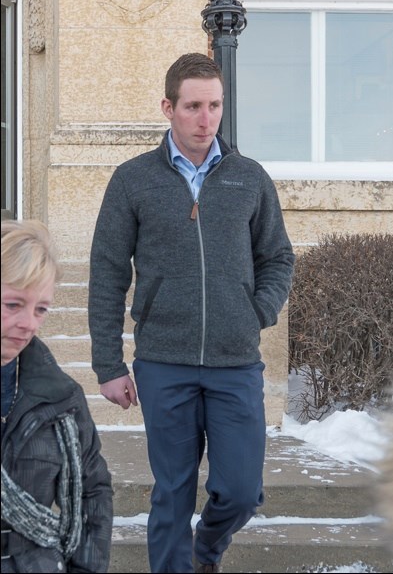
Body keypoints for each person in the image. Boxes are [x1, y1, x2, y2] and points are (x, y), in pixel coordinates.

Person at [88, 51, 295, 573]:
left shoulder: (248, 177)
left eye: (215, 106)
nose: (207, 119)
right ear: (168, 107)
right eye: (194, 106)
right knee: (173, 494)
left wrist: (257, 312)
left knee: (242, 491)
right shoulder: (133, 180)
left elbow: (278, 257)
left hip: (234, 361)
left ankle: (206, 550)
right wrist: (109, 365)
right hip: (164, 362)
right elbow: (108, 272)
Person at [1, 219, 113, 573]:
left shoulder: (61, 401)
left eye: (41, 309)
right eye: (13, 304)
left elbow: (92, 493)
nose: (29, 324)